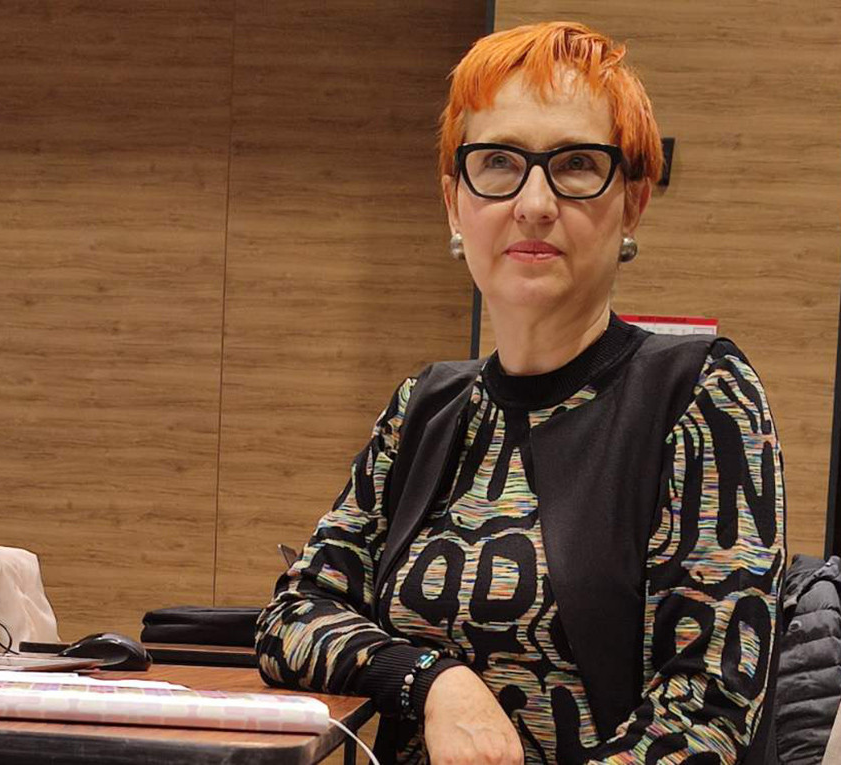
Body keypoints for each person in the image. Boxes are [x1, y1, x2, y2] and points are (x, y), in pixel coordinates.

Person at [256, 20, 784, 765]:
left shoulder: (701, 392)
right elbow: (293, 614)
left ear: (633, 201)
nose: (534, 203)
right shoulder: (425, 407)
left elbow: (709, 709)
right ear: (454, 202)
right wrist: (431, 680)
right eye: (499, 162)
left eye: (576, 164)